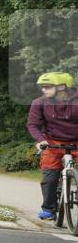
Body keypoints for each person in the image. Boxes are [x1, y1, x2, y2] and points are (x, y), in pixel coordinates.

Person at [27, 72, 78, 220]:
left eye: (47, 87)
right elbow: (33, 125)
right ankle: (49, 209)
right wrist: (41, 140)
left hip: (77, 140)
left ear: (62, 87)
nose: (43, 90)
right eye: (42, 87)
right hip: (52, 142)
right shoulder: (39, 103)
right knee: (49, 176)